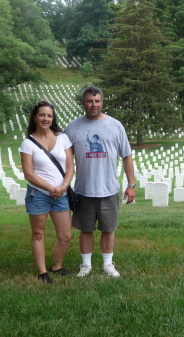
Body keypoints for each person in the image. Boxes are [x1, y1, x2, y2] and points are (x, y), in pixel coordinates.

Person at [65, 86, 136, 278]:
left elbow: (127, 156)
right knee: (85, 229)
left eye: (97, 101)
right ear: (83, 103)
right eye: (89, 101)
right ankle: (86, 265)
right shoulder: (73, 127)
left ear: (102, 102)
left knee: (108, 228)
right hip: (83, 189)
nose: (93, 105)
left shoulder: (115, 125)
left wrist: (131, 185)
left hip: (108, 188)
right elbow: (65, 159)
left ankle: (107, 264)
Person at [20, 101, 74, 284]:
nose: (46, 119)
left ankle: (57, 266)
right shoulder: (28, 143)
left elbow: (70, 166)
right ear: (35, 117)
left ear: (53, 118)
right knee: (38, 234)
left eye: (49, 115)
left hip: (61, 195)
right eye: (42, 115)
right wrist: (51, 188)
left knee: (65, 236)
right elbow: (28, 173)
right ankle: (42, 272)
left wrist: (64, 187)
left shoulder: (62, 138)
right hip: (39, 195)